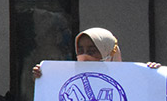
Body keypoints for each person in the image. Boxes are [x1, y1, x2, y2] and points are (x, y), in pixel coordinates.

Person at [32, 27, 160, 78]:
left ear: (109, 52)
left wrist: (154, 75)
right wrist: (43, 78)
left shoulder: (131, 80)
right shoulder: (69, 80)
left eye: (92, 51)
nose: (85, 56)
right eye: (80, 51)